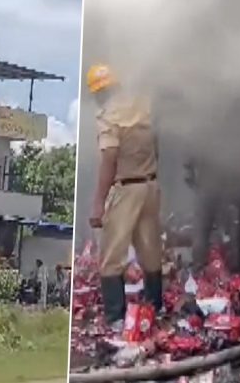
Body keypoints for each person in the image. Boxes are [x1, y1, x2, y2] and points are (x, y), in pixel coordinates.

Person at [86, 63, 163, 332]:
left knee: (112, 255)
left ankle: (116, 318)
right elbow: (156, 144)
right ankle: (155, 308)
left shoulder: (108, 116)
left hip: (126, 190)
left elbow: (109, 159)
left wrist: (98, 202)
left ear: (97, 93)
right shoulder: (142, 106)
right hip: (150, 186)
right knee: (151, 251)